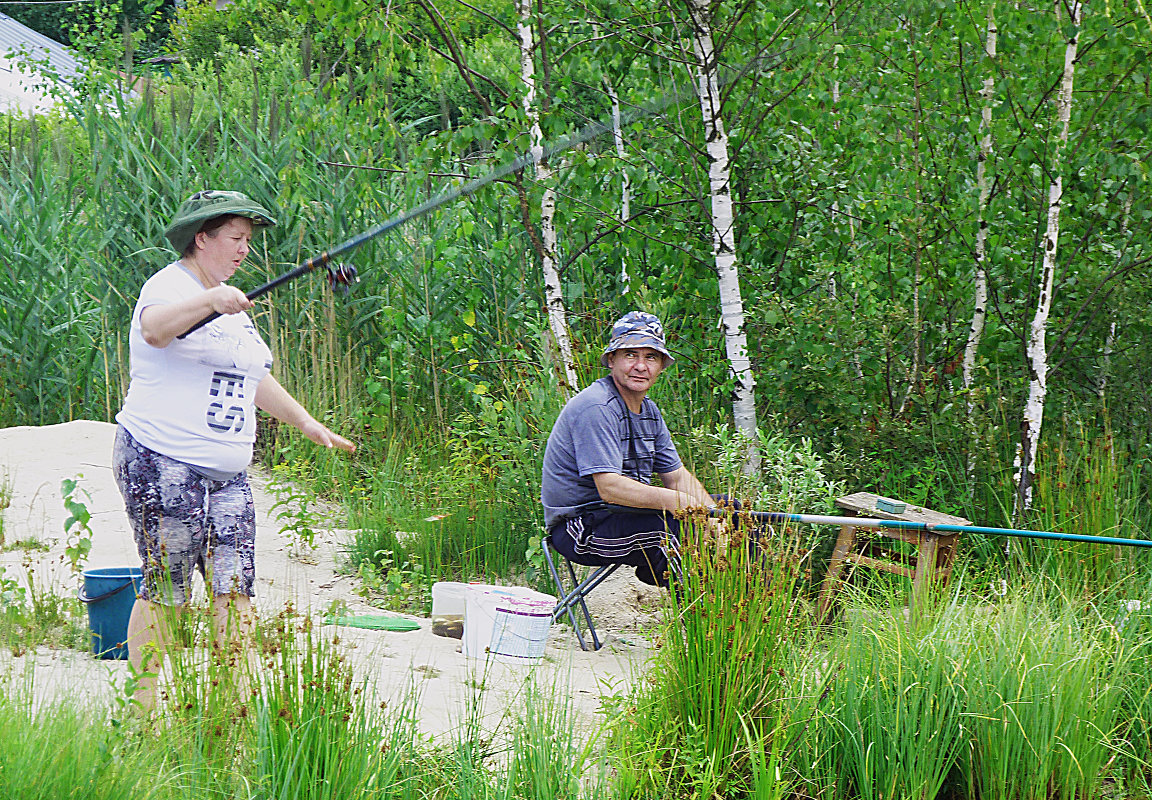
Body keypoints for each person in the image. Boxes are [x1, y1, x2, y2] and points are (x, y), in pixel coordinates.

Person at [112, 189, 355, 711]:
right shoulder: (169, 286)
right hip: (161, 459)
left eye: (248, 240)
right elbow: (154, 331)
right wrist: (208, 300)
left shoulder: (233, 303)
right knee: (170, 589)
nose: (245, 249)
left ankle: (232, 712)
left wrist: (307, 422)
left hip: (228, 472)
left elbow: (253, 376)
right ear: (202, 238)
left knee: (234, 586)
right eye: (235, 238)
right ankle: (144, 708)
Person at [541, 311, 717, 587]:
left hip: (625, 516)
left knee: (735, 516)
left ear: (661, 365)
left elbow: (677, 476)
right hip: (581, 526)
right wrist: (679, 503)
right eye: (630, 355)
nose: (640, 366)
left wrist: (713, 515)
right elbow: (610, 489)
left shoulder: (649, 411)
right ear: (612, 360)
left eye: (651, 357)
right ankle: (705, 625)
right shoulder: (597, 407)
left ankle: (750, 613)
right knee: (678, 531)